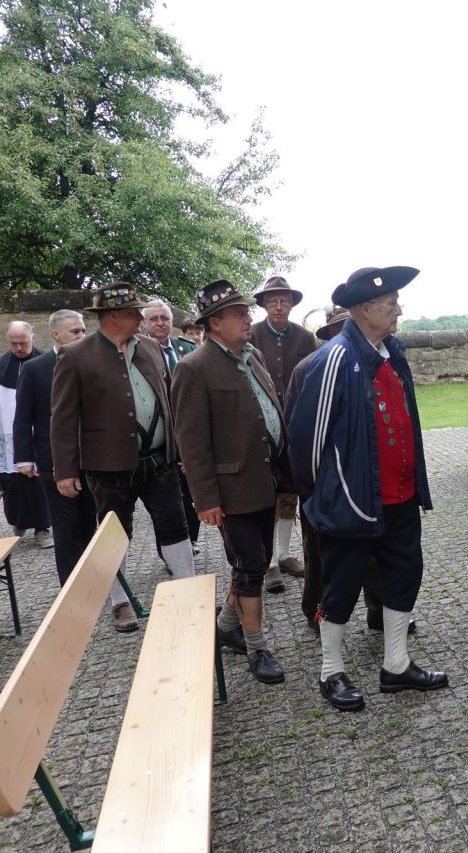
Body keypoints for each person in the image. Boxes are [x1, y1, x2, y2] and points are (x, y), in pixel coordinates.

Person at [290, 266, 446, 712]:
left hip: (399, 498)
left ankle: (396, 665)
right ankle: (330, 671)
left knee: (403, 577)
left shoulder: (393, 353)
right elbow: (306, 442)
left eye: (397, 301)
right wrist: (323, 497)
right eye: (390, 303)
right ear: (363, 309)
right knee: (339, 587)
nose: (399, 309)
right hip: (352, 503)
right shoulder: (334, 358)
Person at [174, 280, 287, 684]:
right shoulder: (194, 367)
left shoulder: (250, 356)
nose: (248, 318)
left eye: (246, 311)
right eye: (239, 313)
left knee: (249, 562)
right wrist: (204, 499)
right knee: (251, 566)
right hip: (231, 490)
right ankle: (257, 648)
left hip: (265, 482)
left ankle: (225, 626)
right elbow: (192, 441)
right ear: (214, 323)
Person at [51, 284, 196, 592]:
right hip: (109, 465)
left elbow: (169, 400)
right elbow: (63, 417)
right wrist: (64, 470)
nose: (141, 319)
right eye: (134, 313)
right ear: (114, 316)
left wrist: (180, 450)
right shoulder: (75, 355)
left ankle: (188, 588)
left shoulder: (150, 346)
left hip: (160, 459)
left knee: (175, 526)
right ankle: (120, 602)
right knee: (115, 534)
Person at [285, 306, 414, 639]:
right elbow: (301, 435)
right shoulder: (310, 368)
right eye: (339, 327)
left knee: (374, 556)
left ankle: (378, 611)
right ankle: (317, 610)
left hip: (368, 485)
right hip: (330, 487)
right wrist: (316, 493)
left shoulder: (385, 359)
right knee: (321, 556)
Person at [14, 310, 136, 630]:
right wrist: (23, 458)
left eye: (84, 330)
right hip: (54, 462)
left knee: (91, 525)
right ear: (55, 334)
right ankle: (71, 593)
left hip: (92, 459)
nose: (82, 335)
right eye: (75, 331)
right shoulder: (35, 368)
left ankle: (98, 585)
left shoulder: (96, 360)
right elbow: (23, 417)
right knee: (65, 529)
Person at [251, 275, 318, 590]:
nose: (279, 306)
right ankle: (269, 564)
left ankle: (285, 553)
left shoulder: (305, 338)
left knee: (290, 492)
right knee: (264, 494)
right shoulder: (249, 335)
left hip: (294, 427)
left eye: (284, 300)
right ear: (264, 304)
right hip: (258, 428)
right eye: (273, 300)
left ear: (292, 304)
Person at [0, 322, 52, 547]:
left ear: (32, 338)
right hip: (11, 433)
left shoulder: (47, 363)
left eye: (23, 342)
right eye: (14, 343)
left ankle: (43, 528)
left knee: (40, 480)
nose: (18, 347)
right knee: (13, 481)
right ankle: (19, 522)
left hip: (40, 431)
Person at [143, 299, 202, 557]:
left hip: (189, 430)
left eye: (164, 318)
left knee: (195, 489)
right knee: (166, 499)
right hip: (160, 437)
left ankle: (192, 538)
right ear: (144, 323)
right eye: (154, 319)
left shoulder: (187, 348)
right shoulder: (139, 353)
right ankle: (169, 549)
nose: (160, 323)